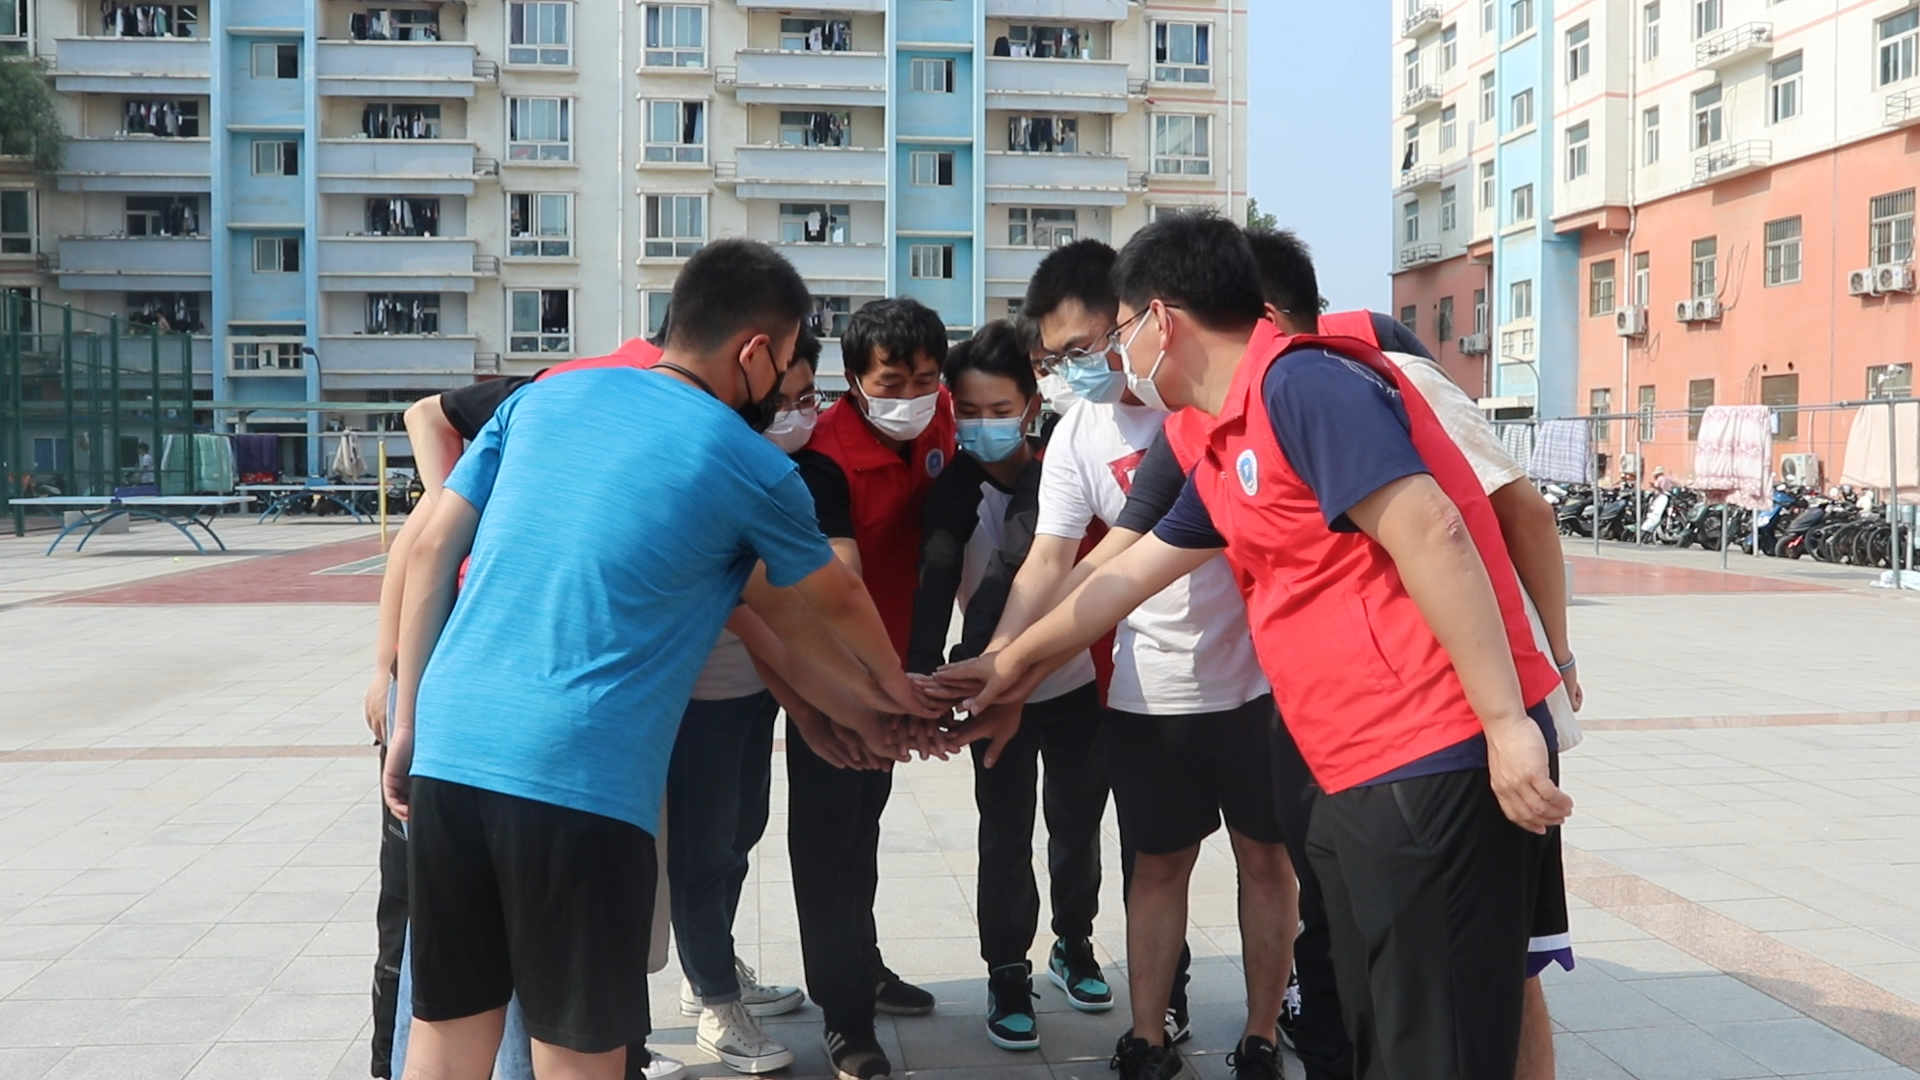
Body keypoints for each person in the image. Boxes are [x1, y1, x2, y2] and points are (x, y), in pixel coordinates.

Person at [940, 213, 1571, 1080]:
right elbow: (1123, 577)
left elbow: (1432, 531)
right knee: (1381, 1029)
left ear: (1162, 320)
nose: (1116, 359)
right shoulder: (1216, 434)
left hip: (1428, 755)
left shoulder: (1301, 384)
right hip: (1347, 766)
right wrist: (1002, 668)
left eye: (1118, 335)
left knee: (1441, 1041)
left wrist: (1505, 724)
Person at [384, 239, 924, 1080]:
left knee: (446, 1040)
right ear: (755, 351)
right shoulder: (746, 461)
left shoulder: (544, 398)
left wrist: (408, 724)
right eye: (787, 363)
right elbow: (836, 599)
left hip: (450, 754)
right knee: (577, 1056)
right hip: (578, 779)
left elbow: (427, 550)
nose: (788, 391)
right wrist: (900, 693)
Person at [1243, 228, 1579, 1080]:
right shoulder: (1243, 411)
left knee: (1496, 971)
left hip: (1461, 721)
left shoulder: (1371, 378)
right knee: (1401, 984)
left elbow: (1520, 514)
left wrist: (1552, 665)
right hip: (1365, 737)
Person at [977, 240, 1292, 1080]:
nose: (1074, 370)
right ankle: (1148, 1035)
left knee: (1267, 861)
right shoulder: (1078, 435)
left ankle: (1262, 1035)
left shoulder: (1198, 402)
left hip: (1261, 681)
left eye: (1086, 347)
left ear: (1134, 320)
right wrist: (1000, 660)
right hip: (1150, 688)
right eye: (1057, 358)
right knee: (1157, 867)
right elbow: (1054, 563)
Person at [905, 323, 1110, 1052]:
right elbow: (936, 582)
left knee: (1078, 823)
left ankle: (1073, 942)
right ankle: (1007, 969)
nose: (984, 425)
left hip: (1073, 680)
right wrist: (923, 682)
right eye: (968, 411)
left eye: (1000, 410)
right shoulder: (950, 493)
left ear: (1029, 406)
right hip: (991, 695)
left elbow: (1042, 577)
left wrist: (991, 667)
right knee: (1004, 832)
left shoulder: (1062, 474)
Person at [788, 296, 953, 1080]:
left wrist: (923, 669)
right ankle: (844, 1017)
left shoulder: (944, 418)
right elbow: (838, 583)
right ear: (853, 380)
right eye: (891, 383)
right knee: (827, 845)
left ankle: (865, 964)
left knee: (864, 834)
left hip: (903, 666)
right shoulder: (823, 453)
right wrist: (879, 688)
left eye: (925, 379)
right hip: (834, 671)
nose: (911, 397)